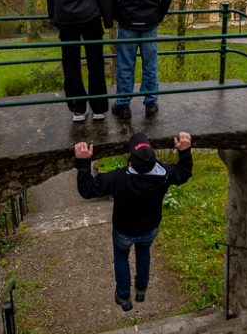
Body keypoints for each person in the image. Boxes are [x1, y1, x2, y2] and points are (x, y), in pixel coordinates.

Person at [74, 131, 193, 311]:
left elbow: (87, 190)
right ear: (154, 160)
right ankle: (141, 289)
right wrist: (184, 151)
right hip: (149, 228)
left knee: (121, 258)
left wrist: (83, 163)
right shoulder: (165, 174)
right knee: (143, 252)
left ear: (131, 161)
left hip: (124, 230)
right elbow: (183, 173)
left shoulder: (118, 178)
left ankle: (123, 296)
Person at [109, 0, 173, 120]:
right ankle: (151, 103)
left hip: (127, 24)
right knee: (150, 64)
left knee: (125, 65)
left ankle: (123, 105)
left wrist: (119, 15)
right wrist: (158, 15)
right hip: (149, 24)